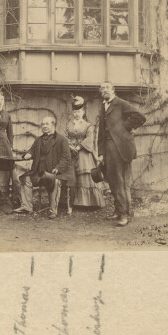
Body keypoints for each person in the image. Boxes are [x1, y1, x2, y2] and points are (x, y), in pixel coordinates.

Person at [98, 81, 146, 227]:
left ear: (113, 90)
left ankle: (125, 215)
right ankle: (119, 211)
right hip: (108, 149)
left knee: (121, 182)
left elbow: (140, 116)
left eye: (107, 87)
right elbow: (101, 132)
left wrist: (125, 127)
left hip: (120, 148)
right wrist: (100, 153)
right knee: (113, 181)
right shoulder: (103, 106)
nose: (104, 90)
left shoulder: (121, 103)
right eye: (102, 88)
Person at [14, 116, 75, 219]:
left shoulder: (62, 139)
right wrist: (28, 154)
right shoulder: (38, 139)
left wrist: (58, 168)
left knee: (55, 181)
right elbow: (32, 150)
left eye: (47, 124)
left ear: (53, 125)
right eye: (43, 124)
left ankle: (53, 211)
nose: (44, 126)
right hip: (39, 172)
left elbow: (66, 157)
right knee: (26, 179)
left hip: (54, 172)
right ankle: (27, 207)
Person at [66, 96, 105, 209]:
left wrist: (79, 147)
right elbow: (65, 137)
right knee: (72, 175)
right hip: (71, 152)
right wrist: (70, 146)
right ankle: (73, 202)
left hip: (84, 152)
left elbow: (89, 139)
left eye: (79, 111)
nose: (77, 114)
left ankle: (88, 203)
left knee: (85, 175)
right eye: (75, 112)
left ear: (83, 112)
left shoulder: (88, 125)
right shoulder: (68, 124)